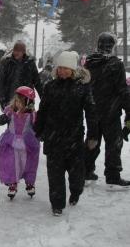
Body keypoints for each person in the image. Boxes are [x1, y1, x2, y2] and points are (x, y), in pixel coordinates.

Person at [34, 51, 98, 216]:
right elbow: (43, 110)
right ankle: (57, 204)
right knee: (55, 174)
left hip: (74, 138)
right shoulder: (50, 86)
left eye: (66, 68)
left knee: (76, 174)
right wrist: (38, 130)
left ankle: (76, 191)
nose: (62, 71)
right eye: (60, 68)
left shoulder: (82, 88)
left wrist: (92, 135)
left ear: (73, 69)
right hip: (53, 138)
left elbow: (91, 112)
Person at [83, 32, 130, 187]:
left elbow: (83, 86)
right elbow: (123, 90)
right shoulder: (116, 64)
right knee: (113, 144)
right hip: (110, 111)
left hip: (93, 110)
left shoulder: (89, 62)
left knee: (92, 141)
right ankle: (112, 175)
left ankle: (86, 170)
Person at [0, 86, 40, 199]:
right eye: (16, 100)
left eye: (20, 101)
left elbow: (39, 127)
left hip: (28, 144)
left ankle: (30, 182)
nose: (17, 103)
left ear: (28, 103)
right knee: (11, 163)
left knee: (29, 164)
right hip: (11, 143)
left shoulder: (32, 115)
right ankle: (13, 183)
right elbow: (0, 120)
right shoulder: (10, 112)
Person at [0, 41, 42, 110]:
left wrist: (43, 98)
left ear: (23, 52)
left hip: (27, 100)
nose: (16, 53)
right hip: (10, 100)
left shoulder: (30, 63)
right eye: (15, 50)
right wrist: (2, 99)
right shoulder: (6, 63)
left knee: (28, 119)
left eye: (19, 51)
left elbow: (37, 82)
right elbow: (1, 83)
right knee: (11, 120)